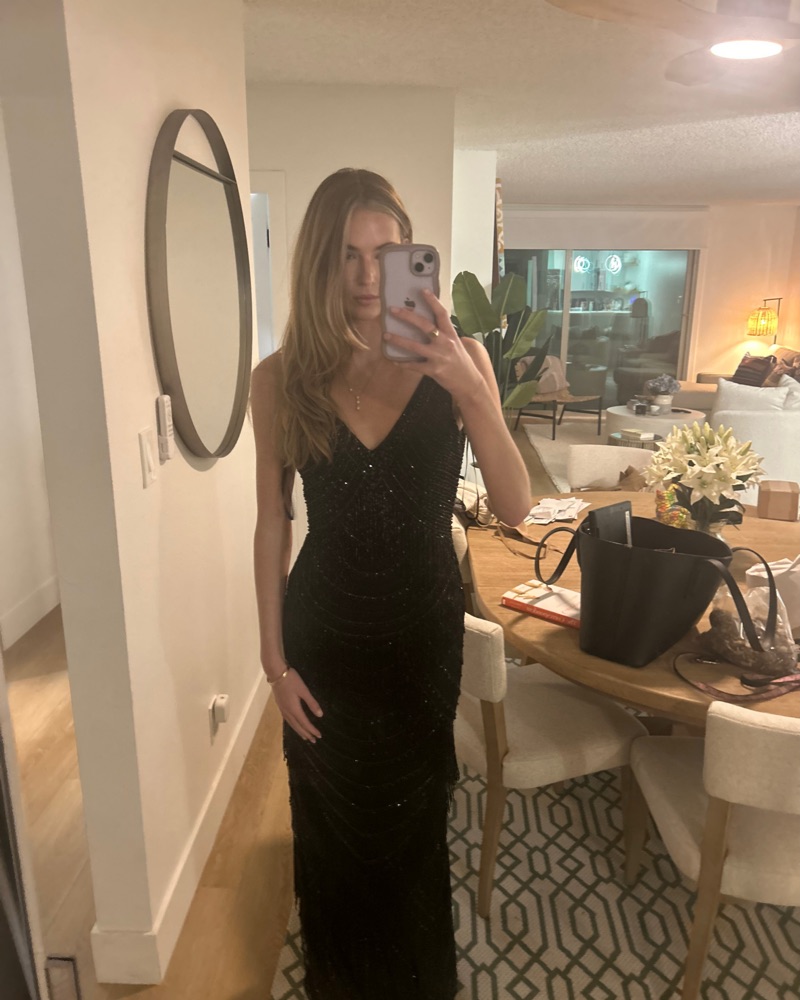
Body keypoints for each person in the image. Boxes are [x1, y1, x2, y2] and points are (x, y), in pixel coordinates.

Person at [250, 168, 530, 1000]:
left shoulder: (463, 361)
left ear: (414, 257)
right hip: (323, 639)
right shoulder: (280, 378)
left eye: (386, 253)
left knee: (411, 829)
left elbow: (517, 506)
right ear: (317, 262)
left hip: (421, 639)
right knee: (331, 829)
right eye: (345, 255)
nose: (368, 276)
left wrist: (470, 387)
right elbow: (272, 522)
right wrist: (272, 663)